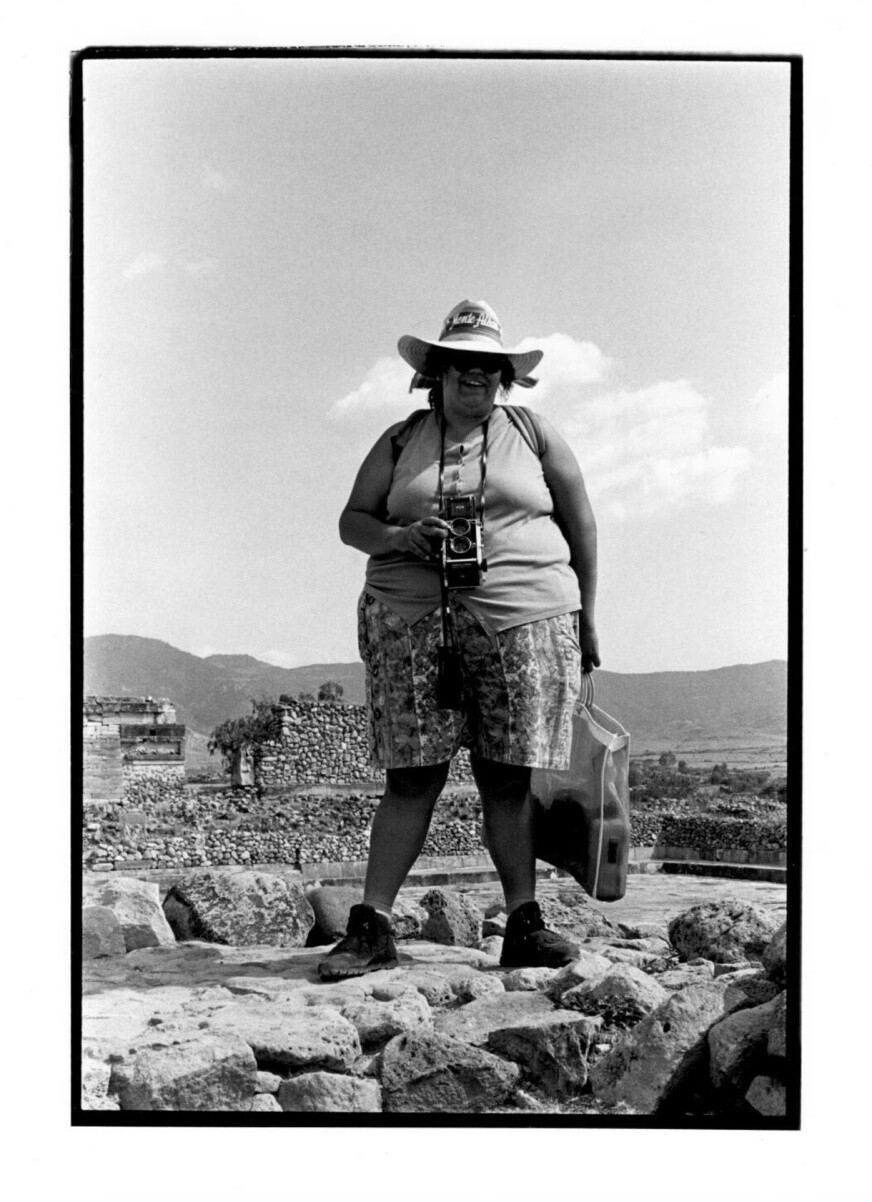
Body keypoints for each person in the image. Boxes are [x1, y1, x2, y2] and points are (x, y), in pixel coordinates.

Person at [319, 299, 600, 981]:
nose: (476, 374)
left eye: (490, 365)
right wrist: (399, 537)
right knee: (412, 775)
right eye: (461, 363)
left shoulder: (533, 433)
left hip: (524, 619)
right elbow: (353, 521)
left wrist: (588, 617)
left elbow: (581, 523)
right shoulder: (398, 441)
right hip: (410, 619)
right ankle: (372, 926)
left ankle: (524, 925)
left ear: (505, 377)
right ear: (437, 372)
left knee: (508, 775)